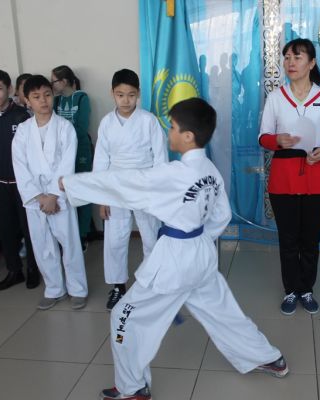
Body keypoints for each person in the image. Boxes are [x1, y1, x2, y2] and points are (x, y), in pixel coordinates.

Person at [60, 98, 288, 400]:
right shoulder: (209, 169)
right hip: (201, 255)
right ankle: (268, 357)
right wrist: (197, 239)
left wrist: (71, 184)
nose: (169, 133)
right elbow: (222, 215)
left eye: (173, 128)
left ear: (188, 136)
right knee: (223, 312)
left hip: (174, 261)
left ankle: (132, 388)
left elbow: (124, 182)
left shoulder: (173, 174)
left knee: (124, 317)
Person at [258, 38, 320, 315]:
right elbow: (263, 136)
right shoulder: (275, 97)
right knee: (288, 239)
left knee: (310, 239)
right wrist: (276, 140)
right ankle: (290, 290)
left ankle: (306, 288)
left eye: (297, 57)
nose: (290, 63)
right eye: (287, 57)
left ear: (312, 63)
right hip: (283, 177)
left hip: (317, 175)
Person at [93, 69, 168, 310]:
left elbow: (160, 158)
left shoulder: (149, 121)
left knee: (150, 235)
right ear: (112, 94)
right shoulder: (107, 123)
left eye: (131, 95)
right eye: (120, 95)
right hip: (116, 185)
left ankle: (151, 284)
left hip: (145, 183)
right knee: (115, 238)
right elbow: (101, 161)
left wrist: (158, 191)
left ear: (139, 94)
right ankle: (118, 286)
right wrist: (102, 197)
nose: (126, 100)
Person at [12, 75, 88, 310]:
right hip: (35, 198)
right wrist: (40, 196)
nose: (43, 100)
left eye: (47, 94)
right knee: (42, 244)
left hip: (59, 195)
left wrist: (54, 195)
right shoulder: (23, 131)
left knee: (69, 243)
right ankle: (54, 289)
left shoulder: (65, 127)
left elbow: (67, 164)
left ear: (53, 96)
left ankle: (77, 289)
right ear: (27, 101)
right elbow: (20, 166)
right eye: (36, 97)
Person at [0, 69, 40, 290]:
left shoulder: (22, 116)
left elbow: (32, 152)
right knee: (4, 229)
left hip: (22, 184)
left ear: (9, 89)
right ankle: (14, 270)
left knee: (28, 228)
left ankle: (33, 268)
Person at [51, 65, 92, 251]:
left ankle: (83, 234)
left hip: (80, 150)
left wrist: (64, 135)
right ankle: (70, 233)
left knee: (82, 192)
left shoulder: (82, 97)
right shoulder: (56, 101)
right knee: (65, 192)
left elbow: (82, 126)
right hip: (61, 152)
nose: (52, 85)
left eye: (54, 81)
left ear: (64, 81)